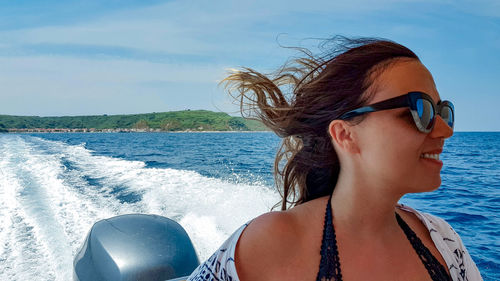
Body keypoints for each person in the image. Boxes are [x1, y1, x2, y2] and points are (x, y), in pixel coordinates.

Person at [187, 37, 483, 281]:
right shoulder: (271, 244)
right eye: (421, 111)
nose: (445, 130)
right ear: (345, 135)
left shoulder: (443, 241)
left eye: (443, 112)